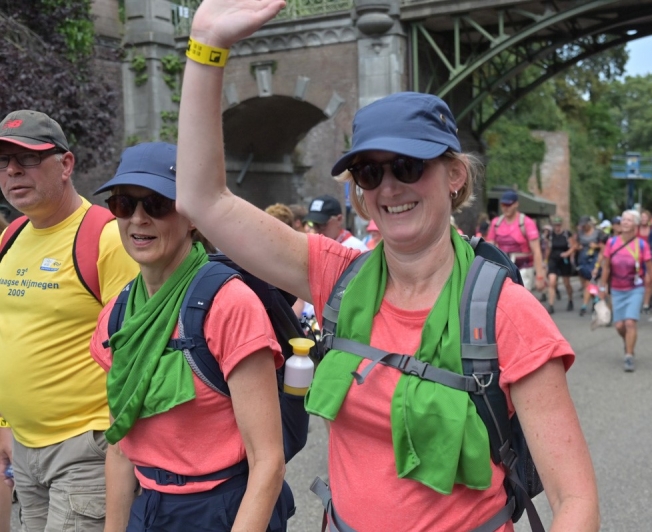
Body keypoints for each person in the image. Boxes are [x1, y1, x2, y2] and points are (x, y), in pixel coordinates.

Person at [174, 4, 600, 529]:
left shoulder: (505, 313)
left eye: (408, 166)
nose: (390, 187)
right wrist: (206, 46)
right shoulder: (336, 277)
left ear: (454, 176)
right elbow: (202, 200)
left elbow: (575, 501)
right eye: (369, 173)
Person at [90, 142, 285, 531]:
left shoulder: (228, 305)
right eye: (124, 204)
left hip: (222, 508)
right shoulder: (118, 316)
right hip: (149, 507)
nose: (139, 219)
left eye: (158, 204)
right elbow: (121, 448)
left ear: (192, 217)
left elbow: (268, 462)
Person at [0, 110, 139, 531]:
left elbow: (135, 353)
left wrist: (121, 452)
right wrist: (5, 424)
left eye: (27, 158)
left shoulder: (106, 237)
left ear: (65, 164)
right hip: (24, 447)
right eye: (3, 161)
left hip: (84, 450)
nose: (12, 170)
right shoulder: (11, 236)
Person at [598, 210, 652, 372]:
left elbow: (651, 269)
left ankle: (629, 355)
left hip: (635, 289)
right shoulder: (611, 242)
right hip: (617, 289)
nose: (625, 222)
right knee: (619, 325)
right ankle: (628, 342)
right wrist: (602, 287)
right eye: (623, 219)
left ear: (636, 224)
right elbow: (606, 267)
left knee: (630, 322)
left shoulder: (642, 245)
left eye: (629, 220)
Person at [486, 189, 545, 293]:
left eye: (509, 205)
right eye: (503, 205)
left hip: (524, 266)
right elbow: (489, 248)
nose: (506, 208)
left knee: (521, 296)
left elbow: (536, 251)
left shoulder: (526, 223)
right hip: (503, 266)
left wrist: (539, 276)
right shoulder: (496, 223)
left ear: (516, 204)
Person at [304, 194, 369, 252]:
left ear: (339, 219)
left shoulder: (357, 249)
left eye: (322, 224)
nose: (316, 230)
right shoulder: (311, 247)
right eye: (311, 224)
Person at [545, 216, 576, 313]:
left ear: (561, 225)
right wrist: (545, 261)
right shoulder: (550, 235)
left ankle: (570, 299)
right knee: (552, 282)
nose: (557, 227)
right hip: (553, 259)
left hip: (564, 260)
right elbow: (548, 248)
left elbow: (573, 246)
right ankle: (551, 305)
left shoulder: (567, 234)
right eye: (555, 225)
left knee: (566, 283)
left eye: (558, 225)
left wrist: (567, 253)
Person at [575, 215, 604, 316]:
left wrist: (596, 246)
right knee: (587, 284)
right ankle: (595, 299)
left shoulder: (598, 233)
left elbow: (604, 247)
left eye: (584, 225)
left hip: (594, 259)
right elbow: (576, 245)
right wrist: (578, 247)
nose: (583, 227)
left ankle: (584, 305)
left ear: (589, 224)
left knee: (589, 283)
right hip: (583, 259)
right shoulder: (580, 233)